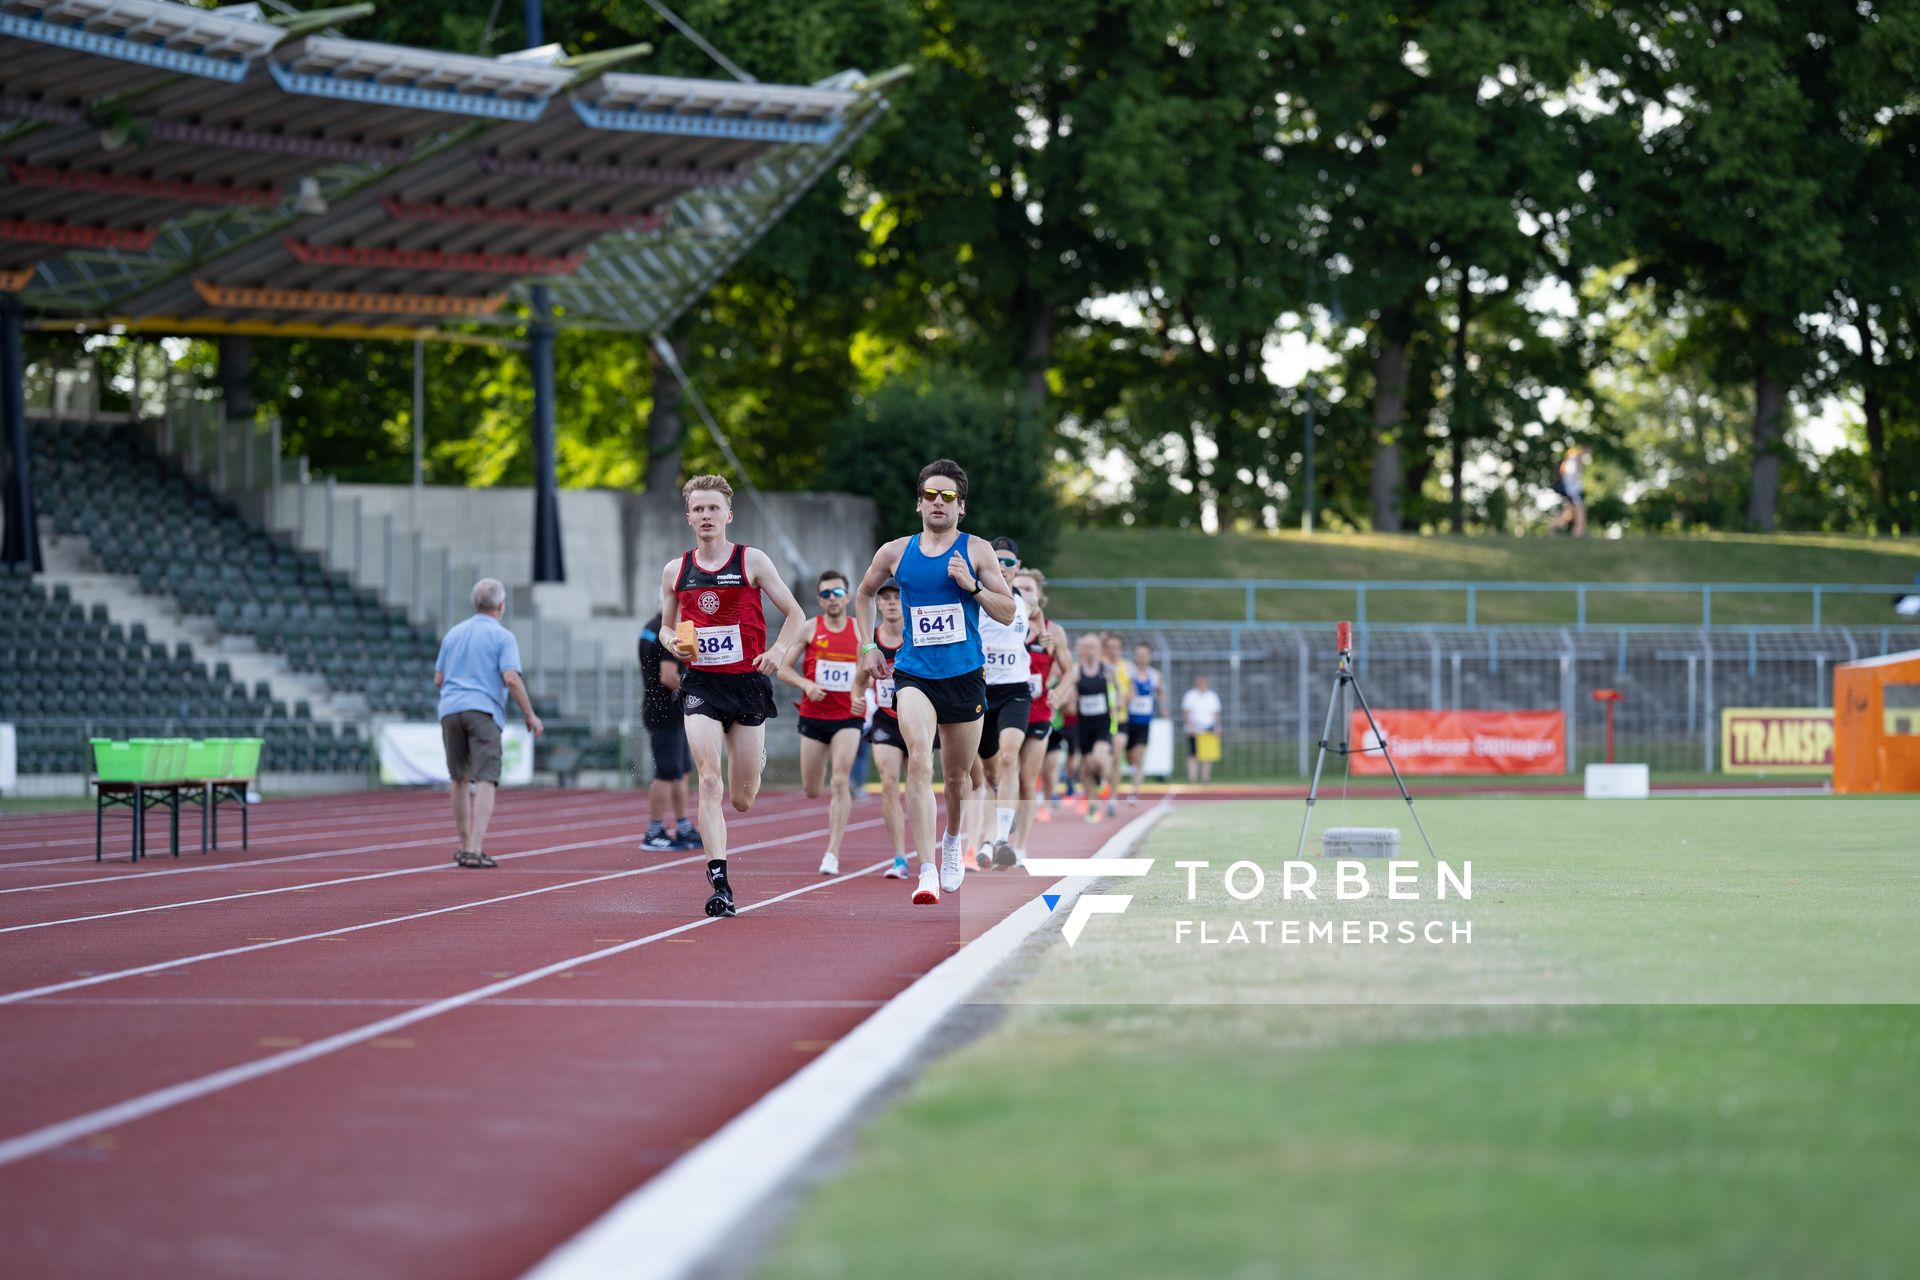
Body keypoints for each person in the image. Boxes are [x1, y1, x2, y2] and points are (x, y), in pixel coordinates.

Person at [854, 459, 1017, 905]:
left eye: (948, 497)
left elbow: (1008, 611)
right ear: (919, 503)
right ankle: (926, 870)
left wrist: (972, 586)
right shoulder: (894, 552)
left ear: (961, 507)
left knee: (959, 777)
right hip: (914, 675)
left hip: (964, 676)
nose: (938, 503)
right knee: (920, 760)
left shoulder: (977, 550)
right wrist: (868, 646)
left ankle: (952, 840)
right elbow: (864, 592)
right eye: (931, 495)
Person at [660, 475, 810, 918]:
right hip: (702, 684)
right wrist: (673, 644)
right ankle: (720, 882)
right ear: (688, 517)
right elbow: (668, 628)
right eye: (698, 509)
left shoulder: (752, 561)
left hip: (747, 684)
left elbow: (797, 614)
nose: (706, 516)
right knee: (709, 780)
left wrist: (778, 652)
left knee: (743, 799)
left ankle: (753, 759)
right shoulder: (676, 570)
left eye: (713, 509)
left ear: (728, 515)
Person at [434, 577, 543, 867]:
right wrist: (529, 714)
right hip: (482, 710)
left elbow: (438, 679)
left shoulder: (453, 634)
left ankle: (463, 843)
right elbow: (510, 677)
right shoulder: (502, 636)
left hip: (450, 708)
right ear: (501, 606)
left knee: (458, 778)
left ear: (474, 603)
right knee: (485, 777)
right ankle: (475, 847)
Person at [775, 569, 866, 876]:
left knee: (840, 781)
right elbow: (783, 669)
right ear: (819, 599)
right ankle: (825, 778)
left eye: (837, 593)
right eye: (826, 594)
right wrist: (805, 685)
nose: (832, 599)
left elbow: (871, 669)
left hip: (848, 717)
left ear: (848, 597)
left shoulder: (859, 632)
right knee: (812, 788)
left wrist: (860, 693)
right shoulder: (811, 628)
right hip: (814, 716)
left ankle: (832, 852)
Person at [974, 535, 1032, 869]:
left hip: (1015, 691)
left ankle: (999, 840)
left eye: (1009, 562)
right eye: (998, 562)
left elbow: (1035, 628)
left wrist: (1045, 639)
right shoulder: (975, 600)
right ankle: (999, 820)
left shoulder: (1026, 601)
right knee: (991, 773)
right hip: (981, 693)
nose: (1004, 568)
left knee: (1010, 759)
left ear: (1018, 567)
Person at [851, 578, 913, 879]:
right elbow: (859, 680)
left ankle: (927, 849)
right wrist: (856, 698)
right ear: (877, 604)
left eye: (896, 597)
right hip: (887, 720)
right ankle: (899, 858)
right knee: (889, 784)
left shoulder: (916, 635)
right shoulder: (870, 641)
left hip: (918, 721)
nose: (890, 603)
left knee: (918, 786)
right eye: (884, 598)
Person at [1012, 569, 1070, 861]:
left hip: (1037, 712)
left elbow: (1070, 671)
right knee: (999, 772)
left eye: (1029, 588)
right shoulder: (1001, 624)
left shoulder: (1052, 631)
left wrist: (1059, 691)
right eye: (1017, 588)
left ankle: (1020, 845)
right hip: (1006, 707)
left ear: (1039, 596)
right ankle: (1001, 821)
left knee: (1026, 778)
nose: (1023, 593)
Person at [637, 611, 699, 851]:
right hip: (665, 711)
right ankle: (653, 831)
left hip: (666, 710)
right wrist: (696, 690)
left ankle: (682, 826)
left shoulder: (650, 625)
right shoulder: (670, 630)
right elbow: (668, 676)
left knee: (681, 770)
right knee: (666, 772)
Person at [1069, 633, 1118, 823]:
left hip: (1103, 723)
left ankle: (1108, 786)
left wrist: (1119, 702)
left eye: (1093, 647)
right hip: (1083, 725)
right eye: (1086, 647)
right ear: (1081, 649)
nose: (1089, 650)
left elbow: (1119, 688)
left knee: (1100, 759)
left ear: (1099, 649)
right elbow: (1070, 692)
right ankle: (1093, 804)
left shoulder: (1106, 670)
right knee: (1087, 768)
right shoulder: (1076, 671)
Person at [1121, 642, 1162, 804]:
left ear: (1150, 657)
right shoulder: (1127, 672)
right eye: (1139, 654)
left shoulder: (1154, 675)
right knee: (1129, 756)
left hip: (1144, 722)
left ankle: (1134, 792)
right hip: (1126, 720)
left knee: (1139, 756)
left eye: (1144, 655)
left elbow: (1161, 694)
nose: (1141, 658)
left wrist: (1162, 704)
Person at [1181, 672, 1224, 784]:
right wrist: (1191, 726)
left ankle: (1206, 778)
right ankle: (1192, 778)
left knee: (1207, 755)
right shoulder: (1190, 695)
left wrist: (1217, 727)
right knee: (1193, 754)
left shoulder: (1212, 696)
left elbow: (1216, 713)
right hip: (1193, 729)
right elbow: (1186, 713)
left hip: (1208, 729)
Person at [1552, 445, 1591, 537]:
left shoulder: (1568, 463)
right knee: (1580, 510)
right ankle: (1578, 531)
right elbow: (1572, 478)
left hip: (1570, 491)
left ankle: (1553, 526)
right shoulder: (1574, 462)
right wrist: (1573, 491)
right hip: (1573, 491)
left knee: (1568, 514)